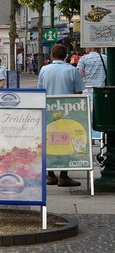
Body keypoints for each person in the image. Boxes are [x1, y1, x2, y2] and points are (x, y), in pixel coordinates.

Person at [38, 44, 84, 187]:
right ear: (66, 56)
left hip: (48, 111)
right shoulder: (72, 70)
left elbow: (40, 91)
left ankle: (50, 175)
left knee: (50, 141)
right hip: (67, 112)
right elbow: (78, 93)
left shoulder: (44, 70)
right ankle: (64, 176)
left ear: (52, 55)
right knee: (66, 141)